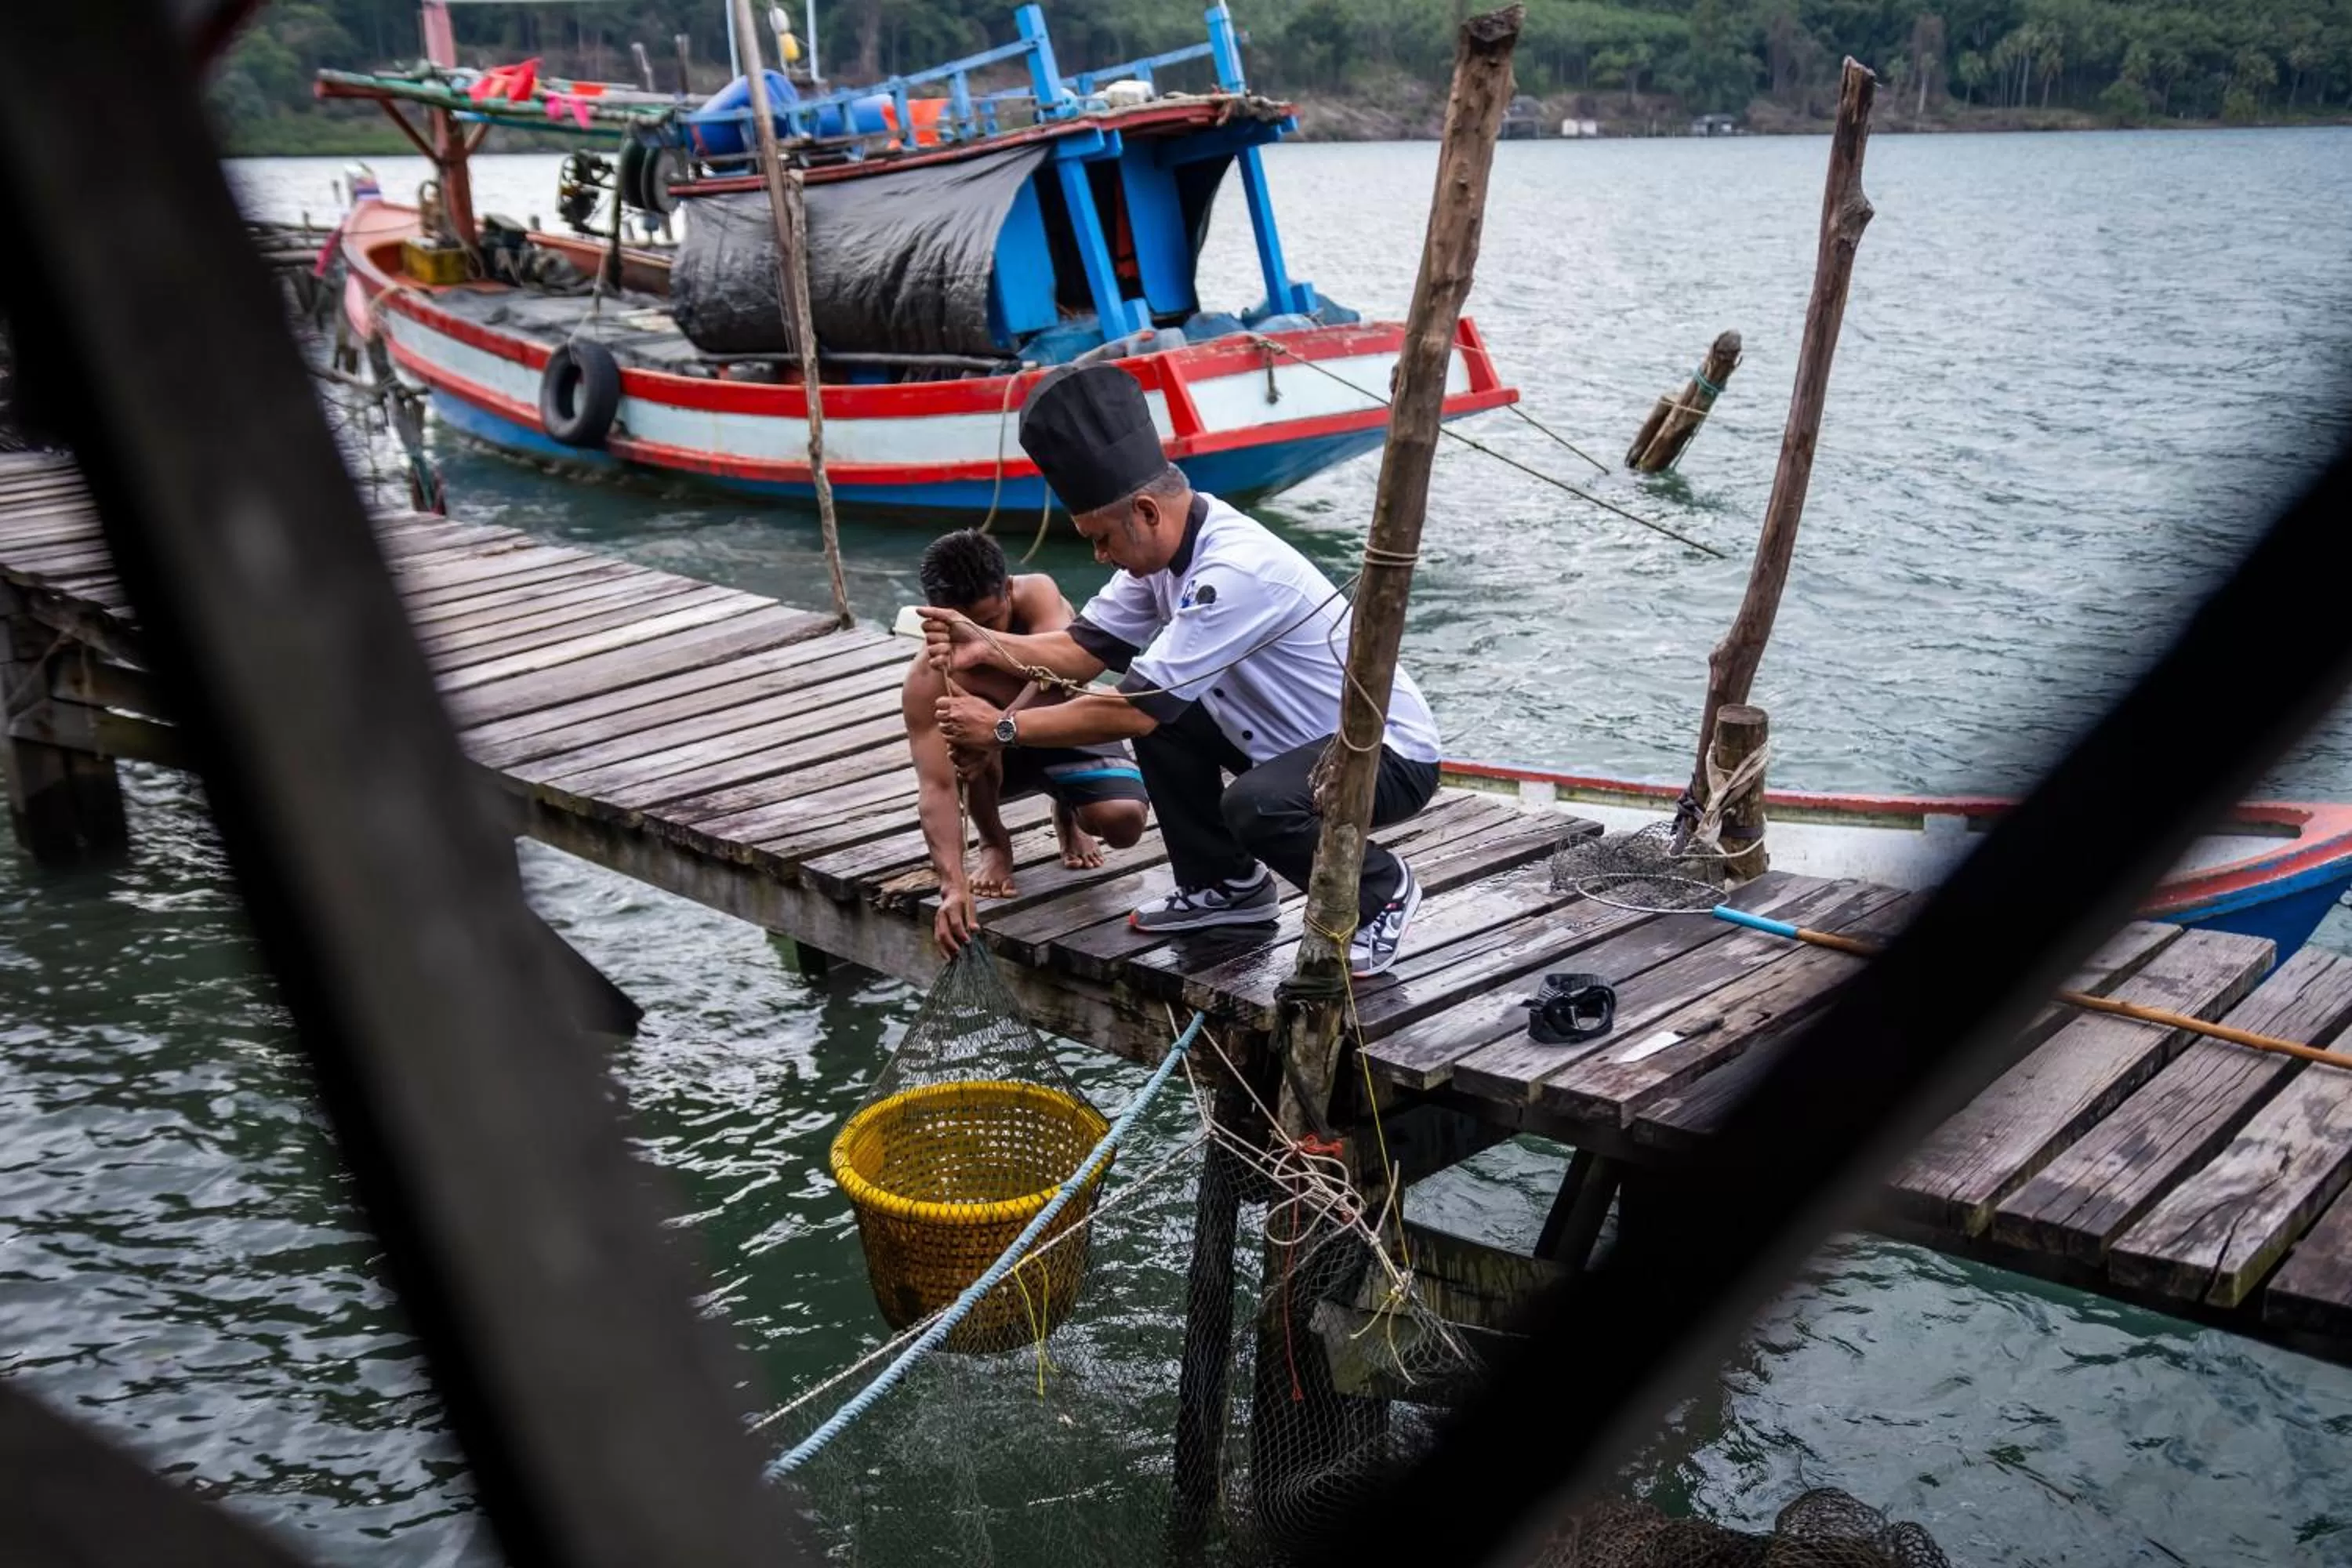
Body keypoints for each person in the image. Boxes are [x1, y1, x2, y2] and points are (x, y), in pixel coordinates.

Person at [921, 363, 1443, 978]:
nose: (1098, 555)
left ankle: (1383, 890)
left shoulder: (1233, 572)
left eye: (1100, 538)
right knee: (1167, 723)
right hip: (1288, 744)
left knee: (1250, 803)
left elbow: (1132, 708)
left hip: (1385, 756)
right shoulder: (1162, 554)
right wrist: (985, 643)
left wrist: (1002, 729)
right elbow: (1084, 649)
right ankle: (1225, 886)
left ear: (1145, 510)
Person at [904, 528, 1150, 954]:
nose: (972, 638)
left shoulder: (1037, 594)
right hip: (989, 757)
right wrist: (952, 886)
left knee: (1123, 823)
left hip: (1062, 726)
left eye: (987, 623)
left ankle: (1068, 814)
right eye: (961, 627)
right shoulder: (929, 677)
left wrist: (997, 727)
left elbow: (1064, 679)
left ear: (1008, 589)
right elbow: (937, 787)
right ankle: (994, 842)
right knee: (964, 740)